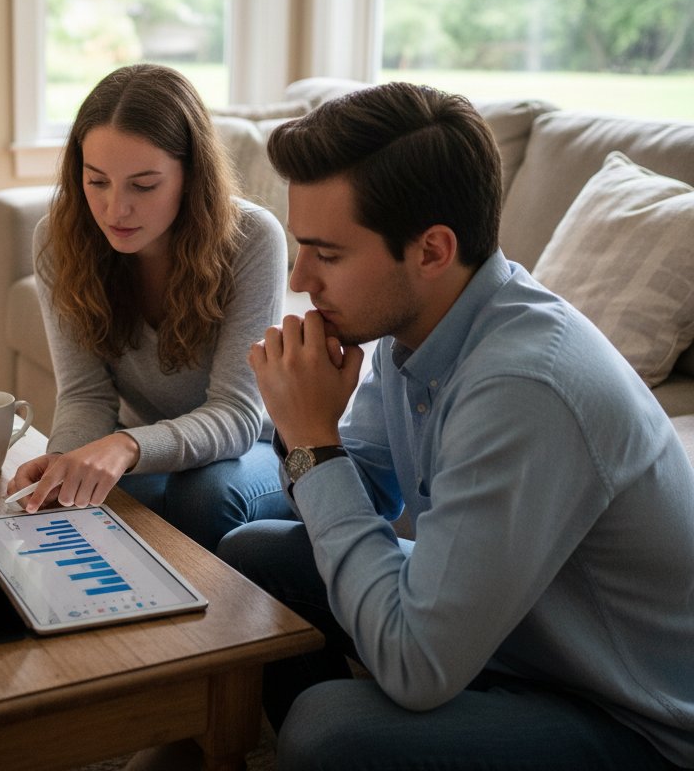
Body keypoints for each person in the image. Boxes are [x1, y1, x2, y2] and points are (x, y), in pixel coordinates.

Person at [217, 82, 694, 769]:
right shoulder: (413, 329)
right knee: (252, 557)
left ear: (432, 251)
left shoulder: (526, 385)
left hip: (628, 715)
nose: (300, 278)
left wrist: (314, 442)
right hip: (516, 636)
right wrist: (303, 433)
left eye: (327, 254)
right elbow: (371, 500)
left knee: (329, 730)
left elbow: (416, 667)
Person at [8, 63, 293, 550]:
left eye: (143, 185)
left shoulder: (252, 238)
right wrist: (62, 463)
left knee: (204, 496)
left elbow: (237, 415)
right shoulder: (60, 241)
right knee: (61, 495)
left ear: (191, 176)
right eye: (97, 182)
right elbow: (85, 396)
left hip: (258, 447)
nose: (116, 210)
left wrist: (127, 445)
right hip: (154, 451)